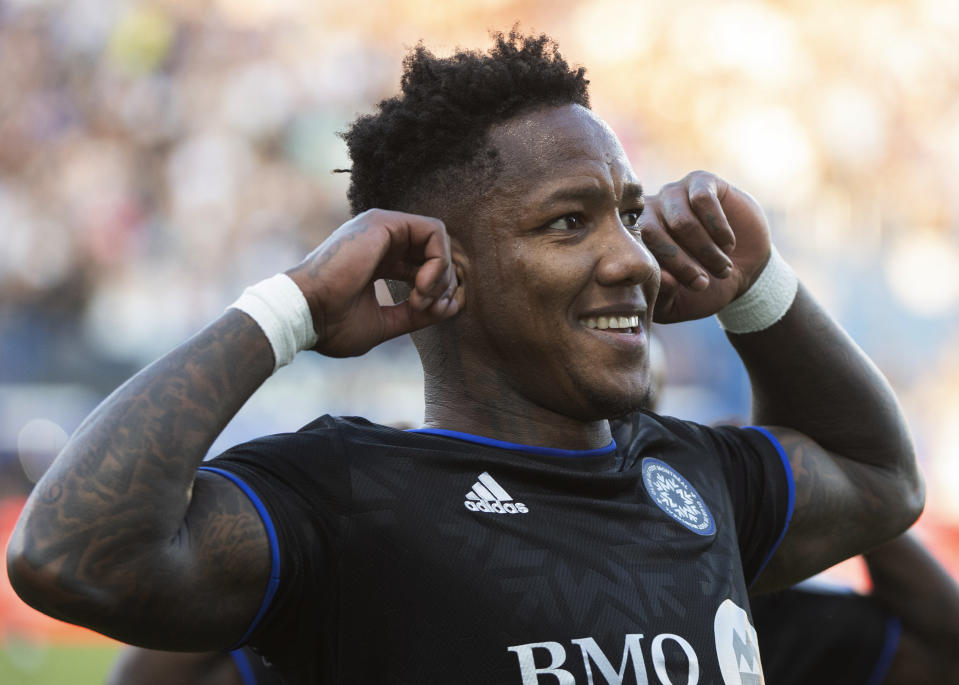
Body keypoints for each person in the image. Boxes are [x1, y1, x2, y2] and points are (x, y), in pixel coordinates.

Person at [6, 31, 923, 684]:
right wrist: (289, 308)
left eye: (630, 216)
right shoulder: (349, 495)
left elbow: (879, 478)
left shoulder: (699, 474)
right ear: (443, 264)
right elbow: (71, 555)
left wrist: (760, 286)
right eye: (570, 222)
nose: (633, 258)